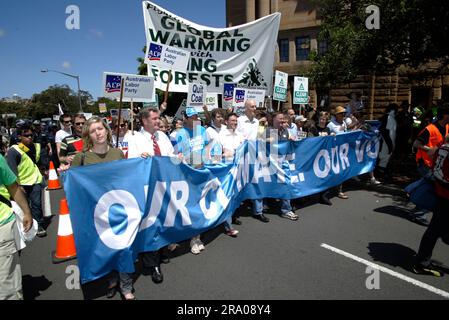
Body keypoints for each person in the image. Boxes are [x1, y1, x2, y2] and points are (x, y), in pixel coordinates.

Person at [69, 117, 136, 299]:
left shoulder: (118, 153)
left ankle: (126, 286)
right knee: (104, 248)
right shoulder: (81, 157)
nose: (98, 133)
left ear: (107, 130)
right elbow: (70, 184)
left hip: (119, 210)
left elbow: (127, 178)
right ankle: (111, 280)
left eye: (100, 128)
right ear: (88, 136)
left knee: (124, 247)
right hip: (96, 213)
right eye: (93, 130)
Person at [127, 107, 174, 282]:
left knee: (162, 221)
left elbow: (171, 157)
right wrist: (140, 157)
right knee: (149, 225)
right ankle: (152, 263)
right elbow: (131, 162)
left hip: (164, 186)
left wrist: (179, 157)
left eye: (158, 118)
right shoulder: (134, 139)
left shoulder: (162, 136)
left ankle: (160, 251)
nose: (158, 121)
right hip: (146, 189)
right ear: (144, 121)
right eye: (154, 118)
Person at [413, 134, 449, 277]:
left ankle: (422, 262)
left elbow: (435, 166)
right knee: (435, 230)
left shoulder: (441, 148)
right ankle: (421, 263)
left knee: (435, 229)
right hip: (446, 196)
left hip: (441, 193)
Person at [175, 107, 210, 254]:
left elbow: (207, 146)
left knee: (200, 204)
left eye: (196, 116)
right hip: (187, 173)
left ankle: (196, 237)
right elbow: (177, 154)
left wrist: (207, 161)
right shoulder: (180, 134)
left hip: (202, 171)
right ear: (186, 118)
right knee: (190, 205)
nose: (195, 119)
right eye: (191, 117)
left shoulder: (202, 130)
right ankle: (189, 236)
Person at [0, 155, 33, 300]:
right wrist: (26, 212)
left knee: (6, 285)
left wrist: (27, 212)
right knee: (7, 282)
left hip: (2, 226)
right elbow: (13, 187)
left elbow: (12, 186)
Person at [6, 124, 46, 237]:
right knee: (24, 206)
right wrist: (18, 185)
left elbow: (38, 162)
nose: (30, 137)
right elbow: (12, 170)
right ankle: (27, 225)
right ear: (19, 137)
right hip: (22, 183)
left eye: (31, 135)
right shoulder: (14, 150)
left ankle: (39, 225)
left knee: (37, 204)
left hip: (35, 180)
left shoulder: (36, 146)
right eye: (26, 135)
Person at [412, 105, 449, 224]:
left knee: (431, 186)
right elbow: (416, 144)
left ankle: (418, 208)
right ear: (444, 115)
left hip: (436, 164)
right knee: (434, 186)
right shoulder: (430, 129)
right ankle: (419, 213)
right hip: (425, 163)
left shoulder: (447, 127)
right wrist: (430, 149)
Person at [327, 106, 349, 199]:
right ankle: (329, 189)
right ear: (336, 115)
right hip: (333, 150)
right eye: (341, 113)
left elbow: (346, 133)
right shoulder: (331, 124)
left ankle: (339, 190)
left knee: (341, 170)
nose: (343, 115)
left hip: (342, 150)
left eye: (344, 113)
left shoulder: (344, 122)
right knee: (333, 170)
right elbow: (326, 137)